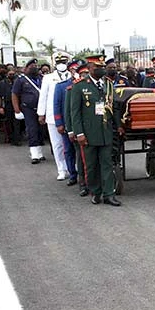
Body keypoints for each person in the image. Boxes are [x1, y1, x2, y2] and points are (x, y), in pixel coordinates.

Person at [69, 54, 121, 206]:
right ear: (90, 68)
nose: (101, 70)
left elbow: (113, 108)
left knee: (107, 163)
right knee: (91, 166)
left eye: (102, 67)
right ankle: (95, 192)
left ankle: (109, 194)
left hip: (105, 131)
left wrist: (117, 126)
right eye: (98, 67)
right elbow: (75, 113)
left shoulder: (108, 85)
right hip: (88, 133)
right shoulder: (79, 86)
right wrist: (78, 133)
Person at [38, 52, 71, 180]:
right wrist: (41, 114)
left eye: (63, 62)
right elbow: (43, 96)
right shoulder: (48, 78)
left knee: (70, 145)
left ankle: (72, 167)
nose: (61, 65)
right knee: (57, 144)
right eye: (58, 63)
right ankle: (61, 170)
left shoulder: (74, 76)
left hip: (70, 115)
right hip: (53, 116)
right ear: (55, 64)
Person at [54, 60, 82, 187]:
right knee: (69, 150)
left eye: (78, 70)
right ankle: (72, 174)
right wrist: (59, 123)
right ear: (70, 71)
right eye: (74, 70)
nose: (76, 72)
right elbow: (57, 105)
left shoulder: (85, 85)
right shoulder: (61, 86)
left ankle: (83, 176)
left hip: (82, 125)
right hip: (67, 124)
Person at [65, 64, 91, 197]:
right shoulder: (72, 89)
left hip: (91, 129)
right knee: (81, 158)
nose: (86, 76)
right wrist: (71, 130)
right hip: (78, 129)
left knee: (91, 159)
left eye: (87, 73)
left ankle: (92, 182)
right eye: (83, 74)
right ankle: (83, 184)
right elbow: (69, 112)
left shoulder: (94, 87)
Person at [12, 59, 44, 163]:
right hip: (28, 108)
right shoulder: (21, 80)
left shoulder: (41, 78)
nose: (34, 68)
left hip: (41, 108)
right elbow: (14, 94)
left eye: (35, 66)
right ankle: (34, 154)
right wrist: (16, 109)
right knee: (32, 129)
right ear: (26, 68)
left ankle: (39, 153)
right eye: (31, 66)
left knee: (40, 130)